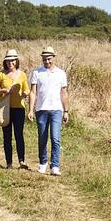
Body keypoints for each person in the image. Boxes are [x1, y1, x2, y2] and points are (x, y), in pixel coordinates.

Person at [29, 47, 70, 176]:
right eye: (44, 59)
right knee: (42, 137)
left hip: (56, 109)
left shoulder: (61, 73)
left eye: (49, 59)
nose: (47, 61)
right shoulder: (37, 72)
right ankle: (43, 163)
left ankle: (55, 166)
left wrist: (66, 111)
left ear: (53, 58)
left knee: (55, 138)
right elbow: (33, 92)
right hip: (41, 109)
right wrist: (30, 110)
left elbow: (64, 93)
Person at [0, 49, 32, 169]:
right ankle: (9, 163)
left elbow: (27, 89)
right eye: (8, 60)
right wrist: (3, 91)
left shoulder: (22, 74)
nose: (10, 63)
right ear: (5, 62)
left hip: (19, 108)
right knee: (7, 135)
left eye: (12, 60)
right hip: (5, 108)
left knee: (19, 135)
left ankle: (21, 161)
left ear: (16, 61)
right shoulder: (1, 74)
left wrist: (25, 93)